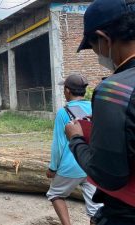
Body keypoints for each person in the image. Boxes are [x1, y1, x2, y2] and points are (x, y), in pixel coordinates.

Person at [65, 0, 135, 224]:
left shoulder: (115, 90)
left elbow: (108, 176)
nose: (97, 53)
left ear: (104, 39)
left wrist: (76, 139)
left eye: (93, 46)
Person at [46, 75, 103, 225]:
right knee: (96, 210)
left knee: (55, 194)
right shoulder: (95, 107)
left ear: (67, 90)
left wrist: (52, 168)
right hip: (92, 165)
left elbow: (58, 145)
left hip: (71, 166)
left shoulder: (63, 112)